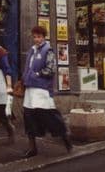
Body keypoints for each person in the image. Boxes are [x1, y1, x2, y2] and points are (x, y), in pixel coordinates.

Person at [21, 25, 72, 158]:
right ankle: (32, 148)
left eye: (39, 37)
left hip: (42, 90)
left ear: (44, 37)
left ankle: (65, 137)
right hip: (30, 89)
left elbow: (51, 69)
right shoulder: (32, 50)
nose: (36, 39)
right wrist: (24, 79)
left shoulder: (48, 50)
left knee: (49, 117)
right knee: (29, 117)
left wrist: (37, 74)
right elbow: (27, 68)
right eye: (35, 37)